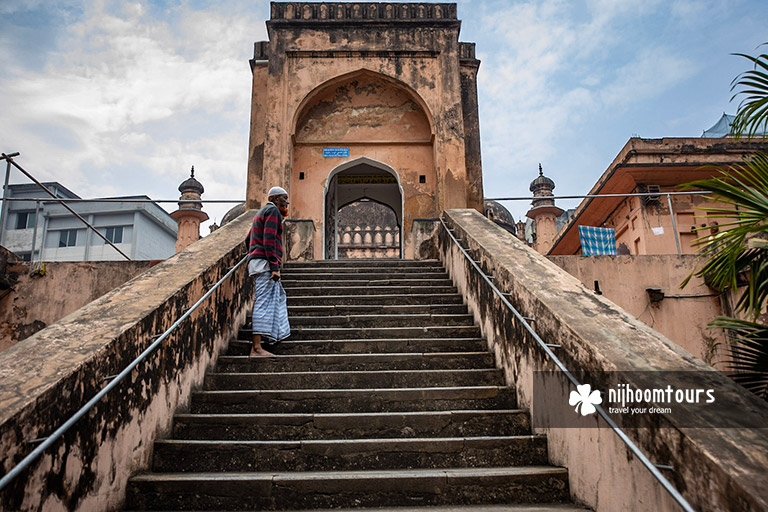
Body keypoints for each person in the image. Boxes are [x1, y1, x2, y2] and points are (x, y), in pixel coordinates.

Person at [247, 186, 291, 356]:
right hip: (265, 263)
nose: (286, 201)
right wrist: (274, 266)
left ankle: (269, 337)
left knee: (274, 297)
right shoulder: (272, 211)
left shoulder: (261, 212)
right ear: (274, 199)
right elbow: (269, 239)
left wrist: (252, 254)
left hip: (257, 261)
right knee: (263, 302)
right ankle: (256, 348)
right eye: (284, 198)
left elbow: (248, 238)